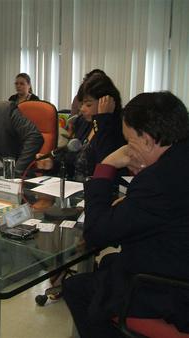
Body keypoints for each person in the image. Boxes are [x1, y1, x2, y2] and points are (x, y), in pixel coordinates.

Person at [62, 91, 189, 337]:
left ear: (149, 141)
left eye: (130, 142)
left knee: (78, 288)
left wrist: (105, 167)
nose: (127, 150)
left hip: (172, 291)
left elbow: (97, 233)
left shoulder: (158, 181)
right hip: (177, 263)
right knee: (106, 267)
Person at [37, 73, 125, 182]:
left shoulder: (118, 128)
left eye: (88, 105)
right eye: (82, 103)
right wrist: (52, 164)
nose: (82, 109)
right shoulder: (83, 123)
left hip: (101, 192)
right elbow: (73, 163)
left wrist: (103, 119)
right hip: (76, 190)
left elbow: (103, 166)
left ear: (106, 102)